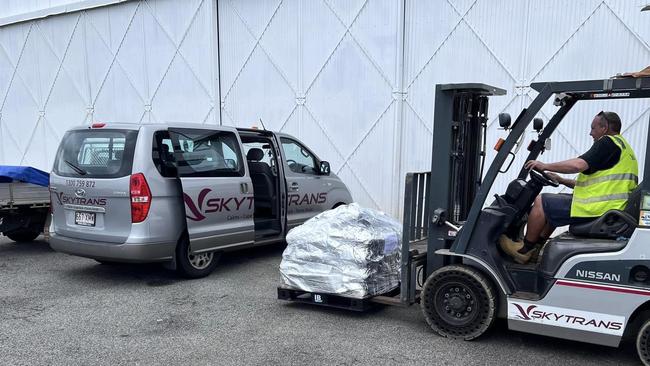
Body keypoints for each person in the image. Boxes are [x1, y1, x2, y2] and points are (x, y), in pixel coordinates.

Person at [499, 111, 638, 264]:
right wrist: (561, 180)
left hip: (597, 209)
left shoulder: (607, 142)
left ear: (604, 128)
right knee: (554, 208)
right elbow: (594, 184)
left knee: (541, 201)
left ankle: (525, 250)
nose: (590, 133)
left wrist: (544, 165)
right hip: (609, 207)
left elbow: (577, 165)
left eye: (593, 128)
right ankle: (536, 249)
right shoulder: (624, 148)